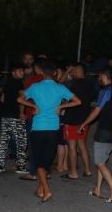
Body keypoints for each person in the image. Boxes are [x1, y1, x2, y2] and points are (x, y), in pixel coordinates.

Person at [18, 60, 81, 203]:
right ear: (55, 73)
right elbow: (78, 101)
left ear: (42, 72)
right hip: (53, 128)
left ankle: (46, 191)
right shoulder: (60, 88)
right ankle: (40, 190)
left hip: (38, 128)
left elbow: (19, 99)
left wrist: (33, 107)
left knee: (39, 162)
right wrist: (60, 107)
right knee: (46, 162)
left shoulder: (35, 87)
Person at [78, 69, 112, 203]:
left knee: (99, 162)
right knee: (102, 160)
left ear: (104, 76)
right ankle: (97, 189)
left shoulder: (105, 91)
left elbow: (97, 110)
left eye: (99, 77)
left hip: (104, 131)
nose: (98, 79)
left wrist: (84, 123)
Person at [61, 63, 96, 180]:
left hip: (71, 118)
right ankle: (87, 170)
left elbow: (59, 85)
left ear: (76, 71)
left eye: (72, 71)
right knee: (82, 144)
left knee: (72, 146)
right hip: (84, 119)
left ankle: (73, 173)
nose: (71, 73)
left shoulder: (72, 84)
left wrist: (67, 72)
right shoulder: (91, 84)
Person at [0, 63, 28, 174]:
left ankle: (0, 165)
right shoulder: (19, 83)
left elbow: (2, 99)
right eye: (19, 71)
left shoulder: (7, 83)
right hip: (15, 115)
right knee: (21, 141)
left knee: (4, 140)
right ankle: (21, 166)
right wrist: (21, 112)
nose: (22, 73)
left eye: (22, 71)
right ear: (13, 72)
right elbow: (22, 98)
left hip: (5, 115)